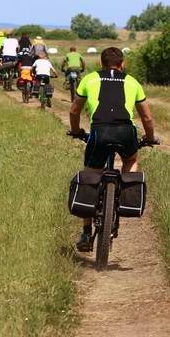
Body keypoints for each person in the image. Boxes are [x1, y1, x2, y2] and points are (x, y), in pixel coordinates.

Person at [69, 47, 156, 252]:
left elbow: (74, 110)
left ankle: (86, 232)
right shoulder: (132, 81)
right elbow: (147, 117)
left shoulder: (89, 79)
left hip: (99, 132)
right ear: (122, 64)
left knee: (91, 175)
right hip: (126, 133)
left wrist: (76, 131)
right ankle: (126, 195)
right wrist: (150, 138)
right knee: (131, 160)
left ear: (101, 63)